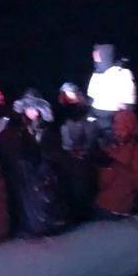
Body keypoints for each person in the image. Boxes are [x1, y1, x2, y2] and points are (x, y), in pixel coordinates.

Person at [0, 89, 68, 236]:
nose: (34, 112)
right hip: (20, 171)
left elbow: (51, 150)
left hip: (37, 171)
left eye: (37, 108)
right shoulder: (14, 128)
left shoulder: (44, 127)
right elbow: (8, 152)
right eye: (30, 108)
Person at [94, 110, 138, 217]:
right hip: (110, 202)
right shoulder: (117, 147)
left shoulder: (137, 151)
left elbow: (137, 181)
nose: (116, 129)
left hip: (117, 205)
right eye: (116, 125)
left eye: (121, 127)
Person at [54, 82, 97, 222]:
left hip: (84, 154)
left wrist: (84, 149)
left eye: (71, 94)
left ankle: (84, 212)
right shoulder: (61, 113)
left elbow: (91, 133)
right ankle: (75, 212)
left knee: (83, 182)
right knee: (71, 184)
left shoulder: (87, 111)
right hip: (68, 156)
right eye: (66, 95)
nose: (69, 98)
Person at [86, 43, 136, 139]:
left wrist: (123, 119)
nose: (96, 60)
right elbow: (91, 98)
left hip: (115, 121)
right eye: (94, 57)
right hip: (98, 120)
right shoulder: (96, 75)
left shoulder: (123, 73)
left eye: (98, 56)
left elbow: (129, 103)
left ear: (105, 56)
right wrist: (90, 116)